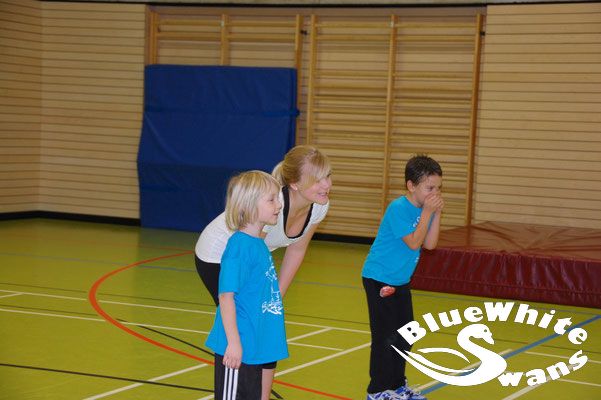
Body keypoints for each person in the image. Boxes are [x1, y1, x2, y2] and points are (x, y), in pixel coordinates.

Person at [195, 145, 331, 399]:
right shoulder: (272, 206)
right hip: (217, 255)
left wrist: (275, 299)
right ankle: (236, 373)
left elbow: (297, 250)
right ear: (295, 184)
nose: (326, 184)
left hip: (252, 257)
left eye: (328, 176)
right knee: (244, 325)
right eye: (317, 179)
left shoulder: (317, 205)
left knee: (266, 325)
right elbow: (246, 253)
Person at [361, 155, 444, 400]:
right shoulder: (398, 208)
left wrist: (436, 213)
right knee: (385, 338)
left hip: (400, 281)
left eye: (438, 188)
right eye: (430, 188)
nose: (435, 193)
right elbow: (414, 243)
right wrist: (428, 212)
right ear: (411, 186)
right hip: (380, 278)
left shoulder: (426, 210)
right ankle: (377, 391)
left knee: (407, 335)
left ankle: (397, 386)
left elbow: (430, 244)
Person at [205, 170, 288, 400]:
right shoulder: (239, 247)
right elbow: (226, 297)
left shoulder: (258, 244)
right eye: (271, 200)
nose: (279, 204)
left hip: (255, 346)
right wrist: (233, 343)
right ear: (250, 205)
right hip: (239, 348)